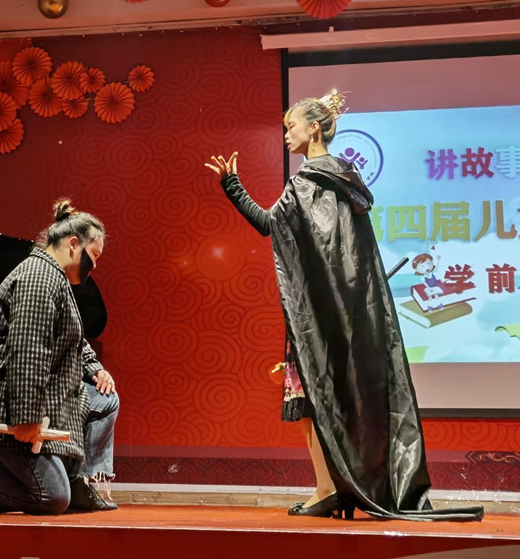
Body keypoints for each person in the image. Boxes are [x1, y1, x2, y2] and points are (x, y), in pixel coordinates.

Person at [206, 91, 483, 521]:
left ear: (314, 128)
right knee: (328, 401)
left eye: (291, 126)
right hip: (352, 317)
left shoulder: (305, 183)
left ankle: (327, 490)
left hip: (319, 320)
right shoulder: (347, 182)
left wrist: (232, 185)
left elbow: (268, 225)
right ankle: (335, 488)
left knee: (310, 400)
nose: (286, 135)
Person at [0, 199, 119, 514]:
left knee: (104, 400)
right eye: (94, 254)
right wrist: (26, 416)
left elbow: (73, 339)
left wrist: (95, 369)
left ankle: (78, 480)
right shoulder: (39, 279)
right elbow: (28, 352)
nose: (95, 264)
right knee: (52, 498)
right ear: (73, 244)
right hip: (7, 406)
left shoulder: (55, 277)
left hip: (48, 398)